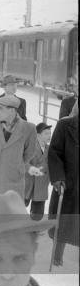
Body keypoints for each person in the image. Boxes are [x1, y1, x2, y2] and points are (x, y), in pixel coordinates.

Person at [0, 95, 36, 198]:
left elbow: (29, 153)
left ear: (12, 110)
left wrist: (14, 164)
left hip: (13, 179)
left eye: (0, 109)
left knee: (9, 210)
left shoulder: (29, 128)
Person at [48, 106, 79, 265]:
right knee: (63, 224)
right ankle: (57, 257)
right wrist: (58, 178)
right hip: (68, 184)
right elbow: (54, 153)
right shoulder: (65, 125)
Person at [24, 122, 51, 220]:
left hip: (42, 184)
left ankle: (35, 227)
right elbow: (23, 161)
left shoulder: (50, 149)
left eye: (50, 133)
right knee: (19, 206)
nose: (49, 136)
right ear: (38, 135)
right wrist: (29, 168)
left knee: (38, 212)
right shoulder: (30, 147)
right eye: (46, 133)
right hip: (28, 182)